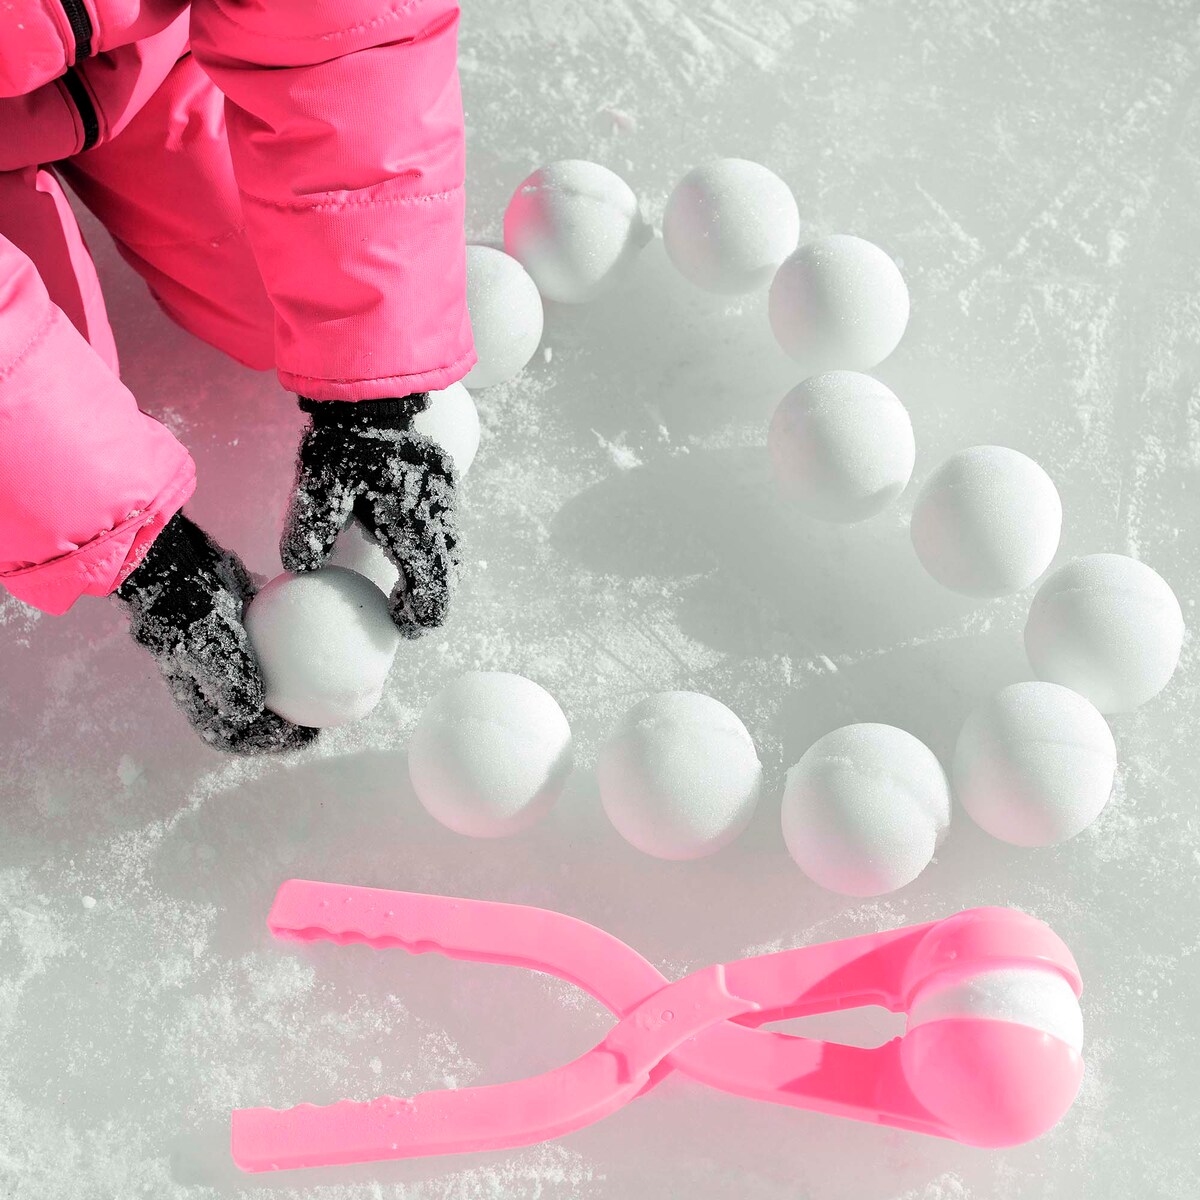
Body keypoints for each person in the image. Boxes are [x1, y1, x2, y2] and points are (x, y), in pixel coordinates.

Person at [0, 1, 476, 752]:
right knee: (63, 431)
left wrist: (376, 393)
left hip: (139, 63)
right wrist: (140, 553)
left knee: (295, 303)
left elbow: (348, 35)